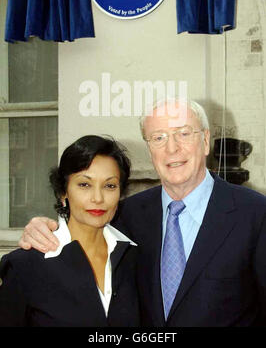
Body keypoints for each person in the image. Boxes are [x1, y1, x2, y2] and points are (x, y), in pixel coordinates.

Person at [16, 99, 266, 326]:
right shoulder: (127, 216)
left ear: (205, 141)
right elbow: (80, 228)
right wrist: (41, 228)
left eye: (184, 134)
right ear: (149, 150)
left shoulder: (256, 214)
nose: (172, 149)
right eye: (158, 138)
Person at [0, 135, 140, 327]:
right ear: (63, 193)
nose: (98, 198)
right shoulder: (24, 266)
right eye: (84, 184)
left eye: (109, 185)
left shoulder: (135, 259)